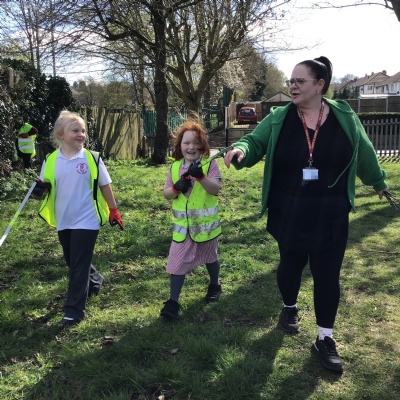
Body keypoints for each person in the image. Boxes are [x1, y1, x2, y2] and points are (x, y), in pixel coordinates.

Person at [223, 56, 389, 373]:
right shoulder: (280, 117)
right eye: (291, 81)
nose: (293, 86)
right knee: (291, 265)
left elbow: (364, 151)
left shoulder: (344, 116)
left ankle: (324, 338)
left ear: (319, 85)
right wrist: (241, 150)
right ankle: (289, 308)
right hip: (290, 209)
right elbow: (254, 141)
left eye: (300, 81)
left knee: (328, 274)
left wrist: (378, 181)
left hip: (332, 211)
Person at [34, 110, 124, 329]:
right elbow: (44, 188)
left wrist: (113, 210)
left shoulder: (92, 158)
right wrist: (39, 190)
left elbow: (105, 185)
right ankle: (95, 281)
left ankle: (74, 312)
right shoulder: (50, 160)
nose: (81, 134)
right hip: (64, 219)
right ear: (61, 134)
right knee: (72, 260)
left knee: (77, 266)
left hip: (87, 219)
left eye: (83, 130)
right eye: (75, 130)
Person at [160, 118, 223, 319]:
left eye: (196, 143)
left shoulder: (210, 165)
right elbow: (167, 194)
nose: (191, 147)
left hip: (206, 229)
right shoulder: (174, 168)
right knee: (176, 262)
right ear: (179, 145)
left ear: (203, 145)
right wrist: (176, 188)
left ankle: (215, 285)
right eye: (186, 142)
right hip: (183, 230)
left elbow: (216, 189)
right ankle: (173, 302)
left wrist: (201, 177)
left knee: (210, 258)